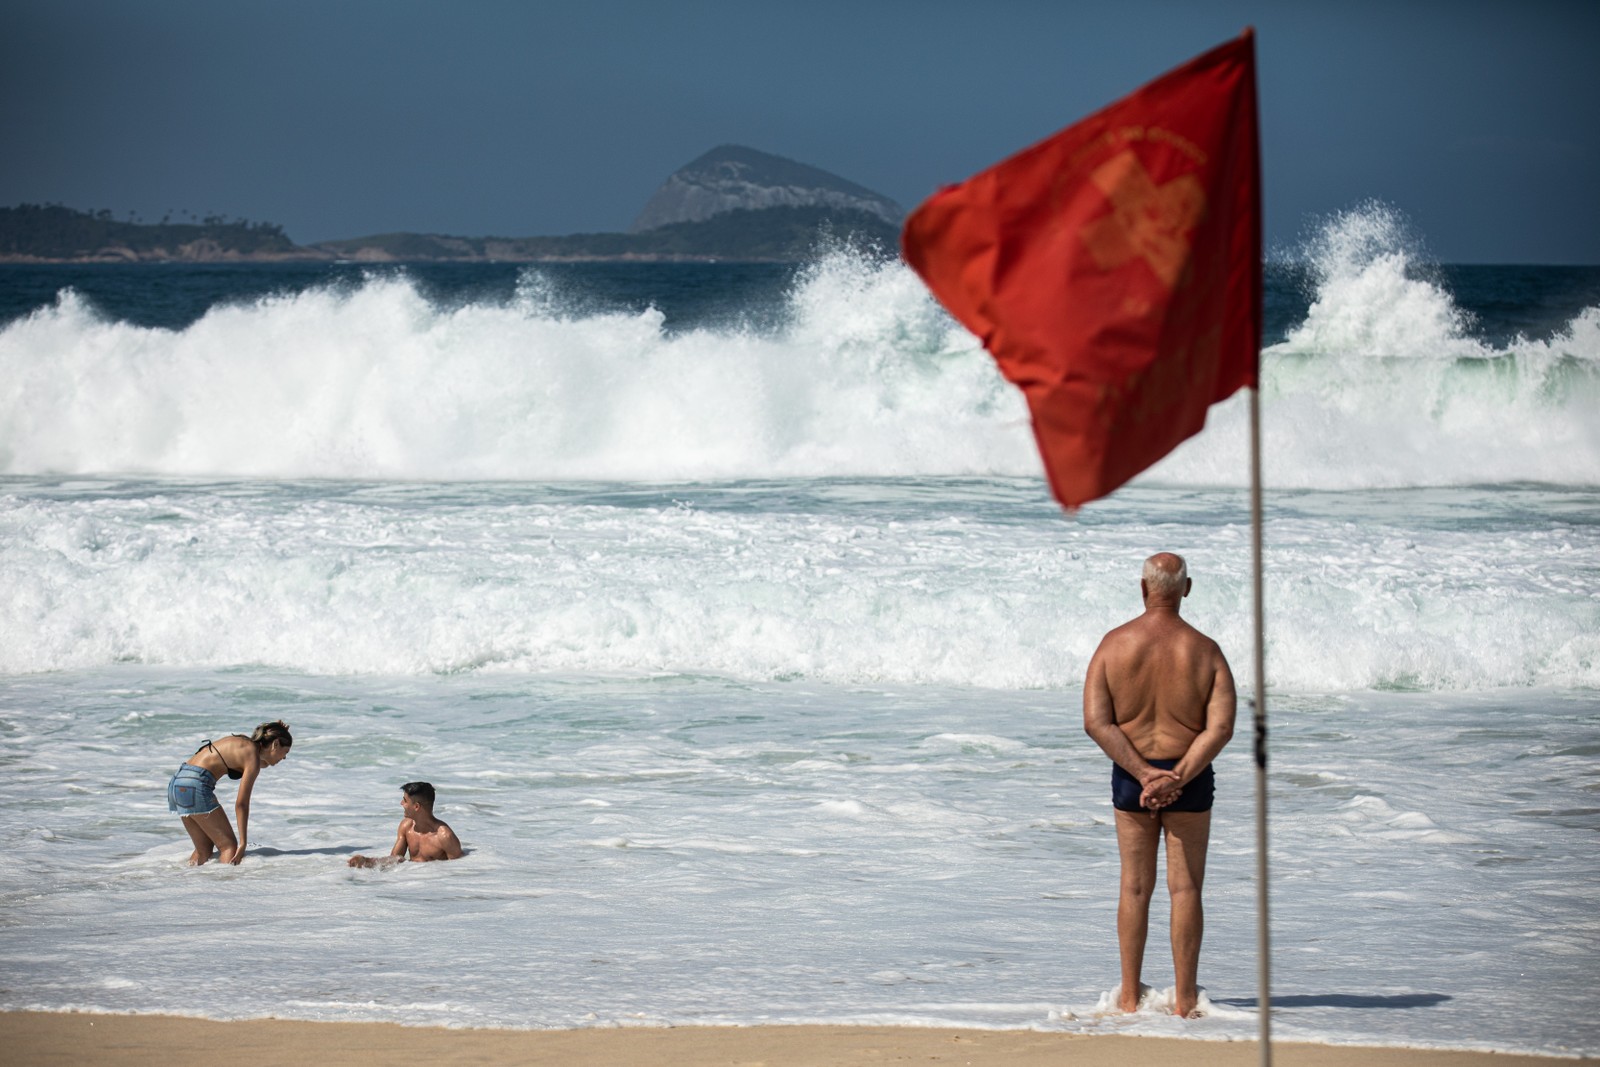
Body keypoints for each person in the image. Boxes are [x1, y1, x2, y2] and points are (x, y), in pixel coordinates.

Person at [1082, 552, 1236, 1018]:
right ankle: (1185, 1001)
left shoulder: (1113, 645)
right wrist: (1178, 776)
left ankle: (1129, 998)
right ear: (1186, 589)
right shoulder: (1205, 650)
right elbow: (1221, 728)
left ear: (1143, 588)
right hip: (1188, 776)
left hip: (1133, 776)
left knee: (1133, 888)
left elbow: (1096, 722)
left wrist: (1144, 774)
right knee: (1185, 889)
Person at [167, 720, 293, 865]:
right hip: (195, 784)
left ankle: (188, 880)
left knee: (204, 850)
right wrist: (242, 843)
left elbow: (265, 761)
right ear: (275, 744)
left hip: (178, 782)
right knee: (229, 847)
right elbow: (241, 804)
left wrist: (276, 730)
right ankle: (224, 885)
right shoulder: (252, 756)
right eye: (286, 752)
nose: (284, 758)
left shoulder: (244, 745)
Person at [348, 781, 463, 867]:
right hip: (408, 884)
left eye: (405, 800)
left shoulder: (445, 837)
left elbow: (457, 872)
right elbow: (393, 861)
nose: (401, 803)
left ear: (416, 806)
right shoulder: (406, 827)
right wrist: (366, 862)